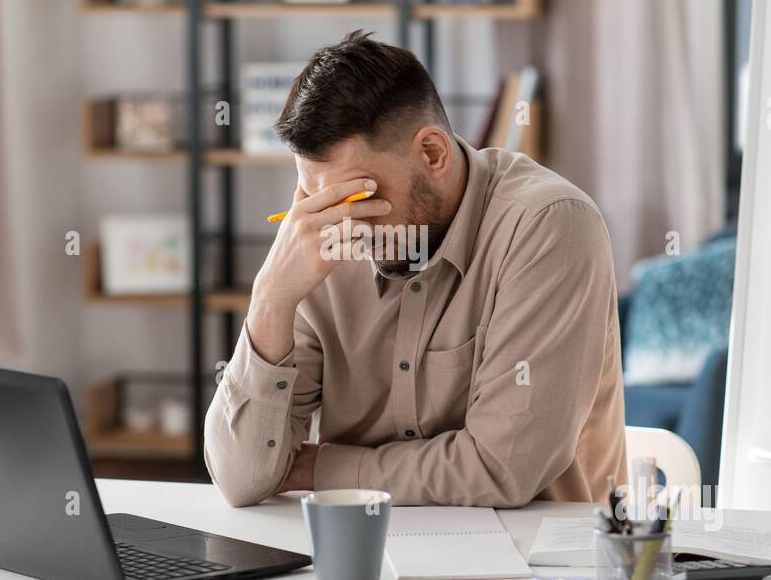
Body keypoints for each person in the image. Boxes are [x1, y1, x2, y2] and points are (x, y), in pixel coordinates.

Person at [205, 30, 626, 507]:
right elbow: (242, 478)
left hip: (538, 565)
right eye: (314, 197)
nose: (341, 224)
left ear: (432, 153)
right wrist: (270, 299)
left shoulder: (548, 226)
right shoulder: (321, 242)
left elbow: (501, 469)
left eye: (357, 197)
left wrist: (316, 467)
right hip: (370, 551)